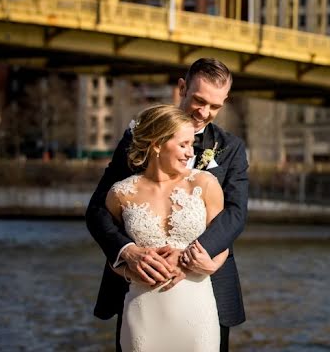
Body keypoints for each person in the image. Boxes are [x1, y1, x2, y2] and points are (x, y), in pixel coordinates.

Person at [87, 58, 248, 352]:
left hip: (205, 285)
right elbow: (98, 210)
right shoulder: (139, 136)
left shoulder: (231, 147)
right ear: (182, 88)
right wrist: (128, 252)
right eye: (199, 100)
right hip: (139, 283)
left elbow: (235, 215)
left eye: (215, 106)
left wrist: (191, 257)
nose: (205, 112)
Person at [105, 104, 225, 351]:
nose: (189, 153)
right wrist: (130, 272)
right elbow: (112, 254)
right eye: (183, 145)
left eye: (191, 145)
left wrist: (207, 264)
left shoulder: (205, 184)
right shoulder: (121, 194)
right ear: (157, 144)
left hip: (196, 308)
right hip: (142, 311)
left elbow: (222, 242)